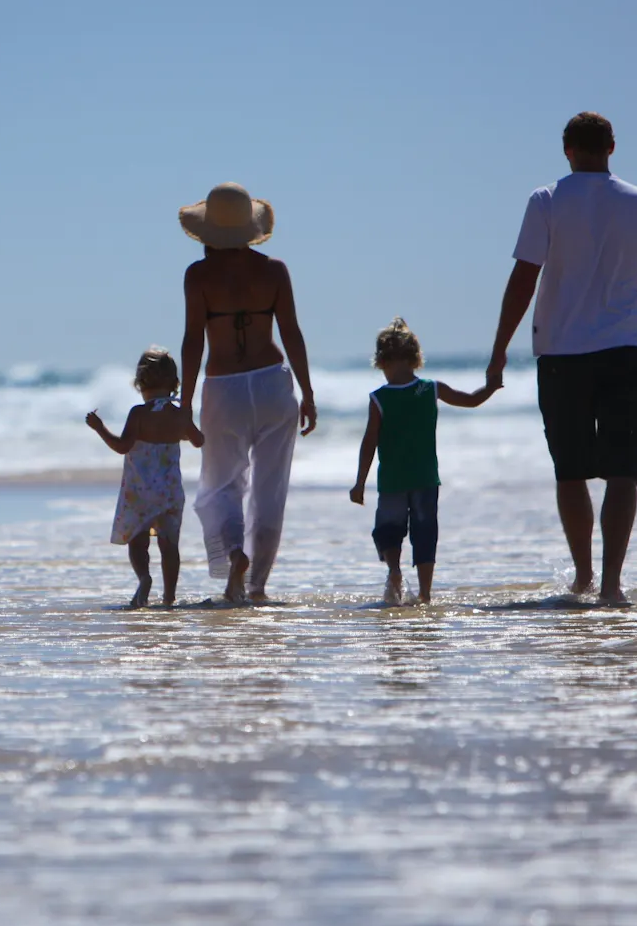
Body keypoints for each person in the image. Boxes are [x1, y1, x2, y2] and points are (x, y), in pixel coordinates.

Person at [485, 112, 637, 606]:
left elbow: (523, 279)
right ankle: (612, 585)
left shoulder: (547, 200)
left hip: (562, 354)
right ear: (612, 146)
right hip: (625, 350)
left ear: (566, 149)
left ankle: (584, 577)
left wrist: (499, 348)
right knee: (622, 471)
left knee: (569, 471)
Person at [178, 182, 317, 605]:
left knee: (220, 485)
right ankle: (256, 586)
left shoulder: (198, 276)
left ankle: (235, 556)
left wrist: (184, 405)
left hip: (224, 388)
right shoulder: (274, 270)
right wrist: (308, 391)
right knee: (270, 489)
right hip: (274, 382)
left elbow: (192, 342)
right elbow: (291, 332)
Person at [349, 318, 499, 605]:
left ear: (381, 361)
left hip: (392, 480)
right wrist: (490, 387)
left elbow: (369, 442)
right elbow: (470, 400)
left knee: (389, 530)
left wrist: (359, 483)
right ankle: (425, 594)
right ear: (415, 358)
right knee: (425, 533)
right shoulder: (430, 389)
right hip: (425, 479)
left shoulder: (379, 398)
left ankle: (394, 570)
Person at [87, 347, 205, 609]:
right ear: (175, 384)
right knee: (169, 544)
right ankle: (169, 597)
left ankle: (144, 579)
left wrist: (100, 428)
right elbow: (199, 440)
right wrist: (184, 424)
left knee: (138, 542)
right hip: (170, 492)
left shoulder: (138, 414)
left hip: (139, 492)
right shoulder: (179, 414)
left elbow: (122, 446)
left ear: (140, 383)